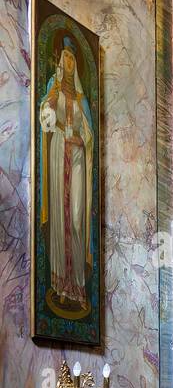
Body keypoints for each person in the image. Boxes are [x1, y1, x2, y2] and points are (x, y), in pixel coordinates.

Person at [38, 36, 95, 315]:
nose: (69, 63)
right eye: (66, 58)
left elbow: (90, 134)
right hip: (59, 150)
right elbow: (45, 118)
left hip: (77, 157)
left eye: (73, 58)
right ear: (61, 61)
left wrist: (82, 139)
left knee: (75, 219)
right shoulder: (55, 88)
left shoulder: (81, 99)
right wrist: (51, 100)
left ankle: (79, 287)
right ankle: (62, 287)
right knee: (61, 218)